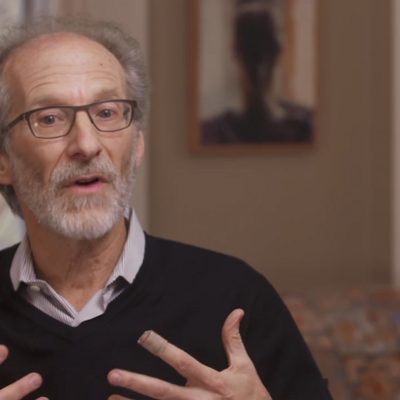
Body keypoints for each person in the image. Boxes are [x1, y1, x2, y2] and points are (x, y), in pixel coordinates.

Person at [0, 17, 331, 400]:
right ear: (4, 160)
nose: (87, 144)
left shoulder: (234, 296)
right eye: (50, 118)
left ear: (136, 142)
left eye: (107, 113)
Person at [201, 0, 313, 144]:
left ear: (234, 52)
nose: (258, 65)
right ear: (279, 51)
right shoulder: (306, 128)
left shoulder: (213, 133)